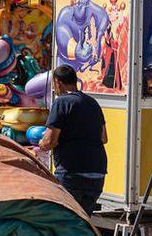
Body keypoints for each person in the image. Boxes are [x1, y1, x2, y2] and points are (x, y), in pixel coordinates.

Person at [40, 64, 108, 214]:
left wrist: (41, 144)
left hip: (72, 173)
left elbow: (49, 141)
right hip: (97, 173)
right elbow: (103, 138)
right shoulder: (92, 102)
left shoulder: (61, 102)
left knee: (65, 220)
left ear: (58, 83)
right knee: (84, 221)